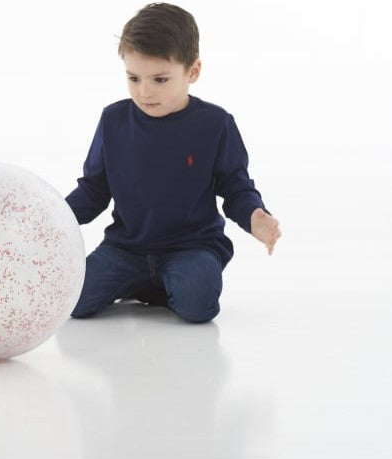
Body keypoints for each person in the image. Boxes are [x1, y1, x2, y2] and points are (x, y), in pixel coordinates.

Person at [65, 2, 281, 323]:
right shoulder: (113, 120)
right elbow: (93, 189)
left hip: (191, 247)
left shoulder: (215, 124)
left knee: (197, 306)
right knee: (73, 302)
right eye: (134, 78)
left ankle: (165, 284)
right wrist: (55, 216)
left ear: (192, 71)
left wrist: (254, 216)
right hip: (126, 249)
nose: (144, 92)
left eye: (160, 79)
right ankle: (145, 283)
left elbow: (235, 187)